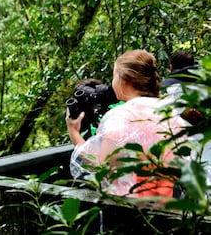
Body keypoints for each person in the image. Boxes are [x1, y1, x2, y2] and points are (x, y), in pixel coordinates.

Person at [66, 49, 190, 198]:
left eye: (114, 76)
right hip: (170, 206)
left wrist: (74, 132)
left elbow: (103, 168)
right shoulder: (170, 113)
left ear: (125, 81)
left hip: (132, 208)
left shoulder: (120, 117)